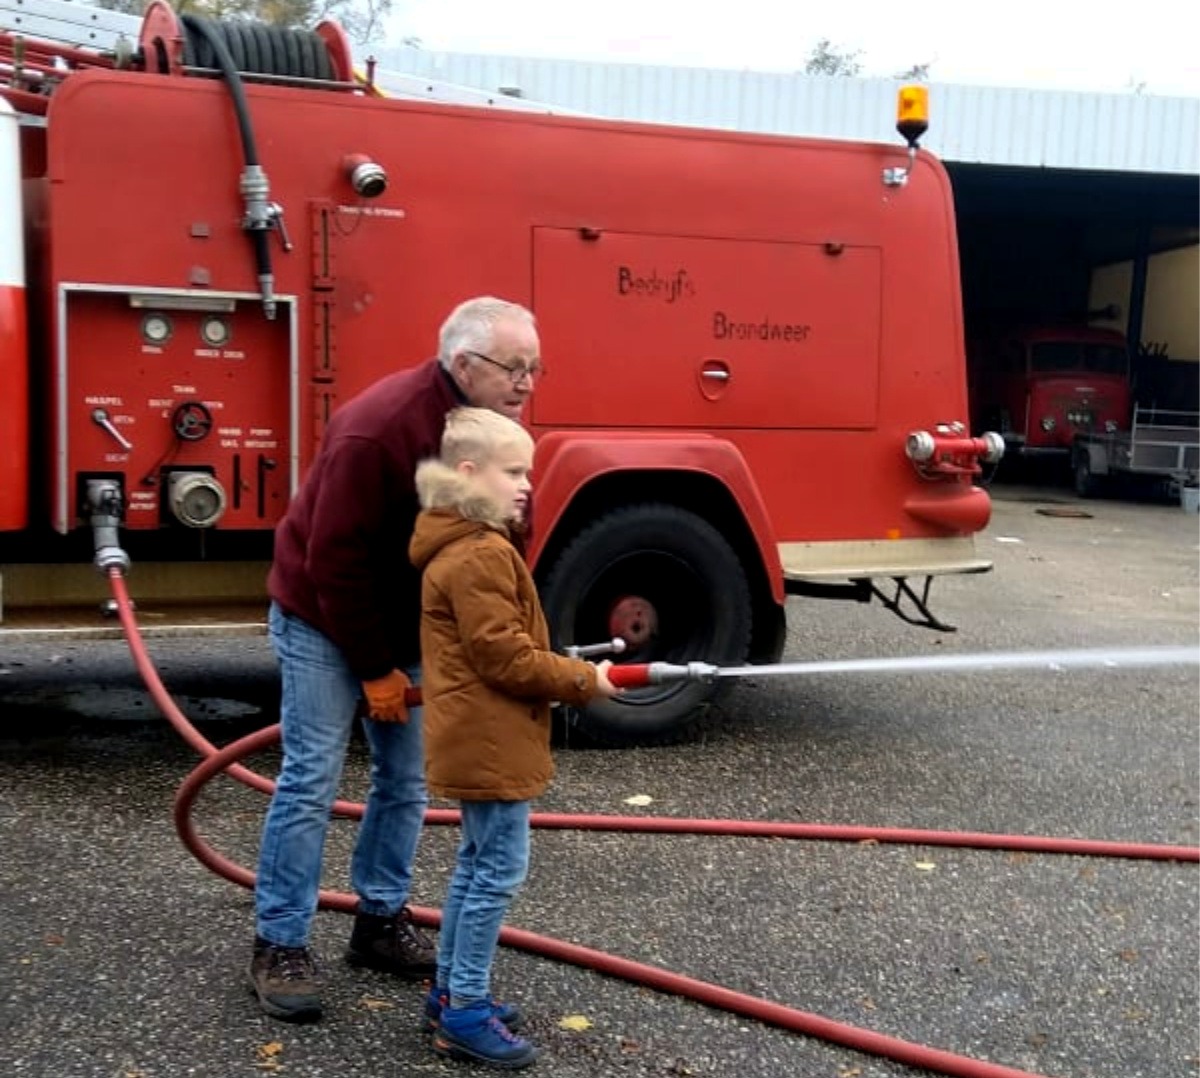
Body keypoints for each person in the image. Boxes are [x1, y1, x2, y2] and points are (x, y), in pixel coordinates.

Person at [249, 297, 544, 1023]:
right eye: (516, 367)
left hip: (416, 626)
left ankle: (379, 919)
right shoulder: (379, 429)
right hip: (324, 615)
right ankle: (279, 940)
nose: (528, 383)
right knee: (312, 775)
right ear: (463, 363)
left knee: (407, 778)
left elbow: (506, 533)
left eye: (536, 368)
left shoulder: (493, 429)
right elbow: (334, 560)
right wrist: (375, 669)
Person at [409, 406, 620, 1069]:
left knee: (477, 867)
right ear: (469, 474)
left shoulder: (471, 542)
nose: (528, 482)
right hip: (491, 742)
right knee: (496, 872)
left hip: (483, 738)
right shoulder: (476, 554)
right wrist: (586, 680)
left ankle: (449, 994)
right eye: (514, 471)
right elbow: (506, 659)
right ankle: (465, 1011)